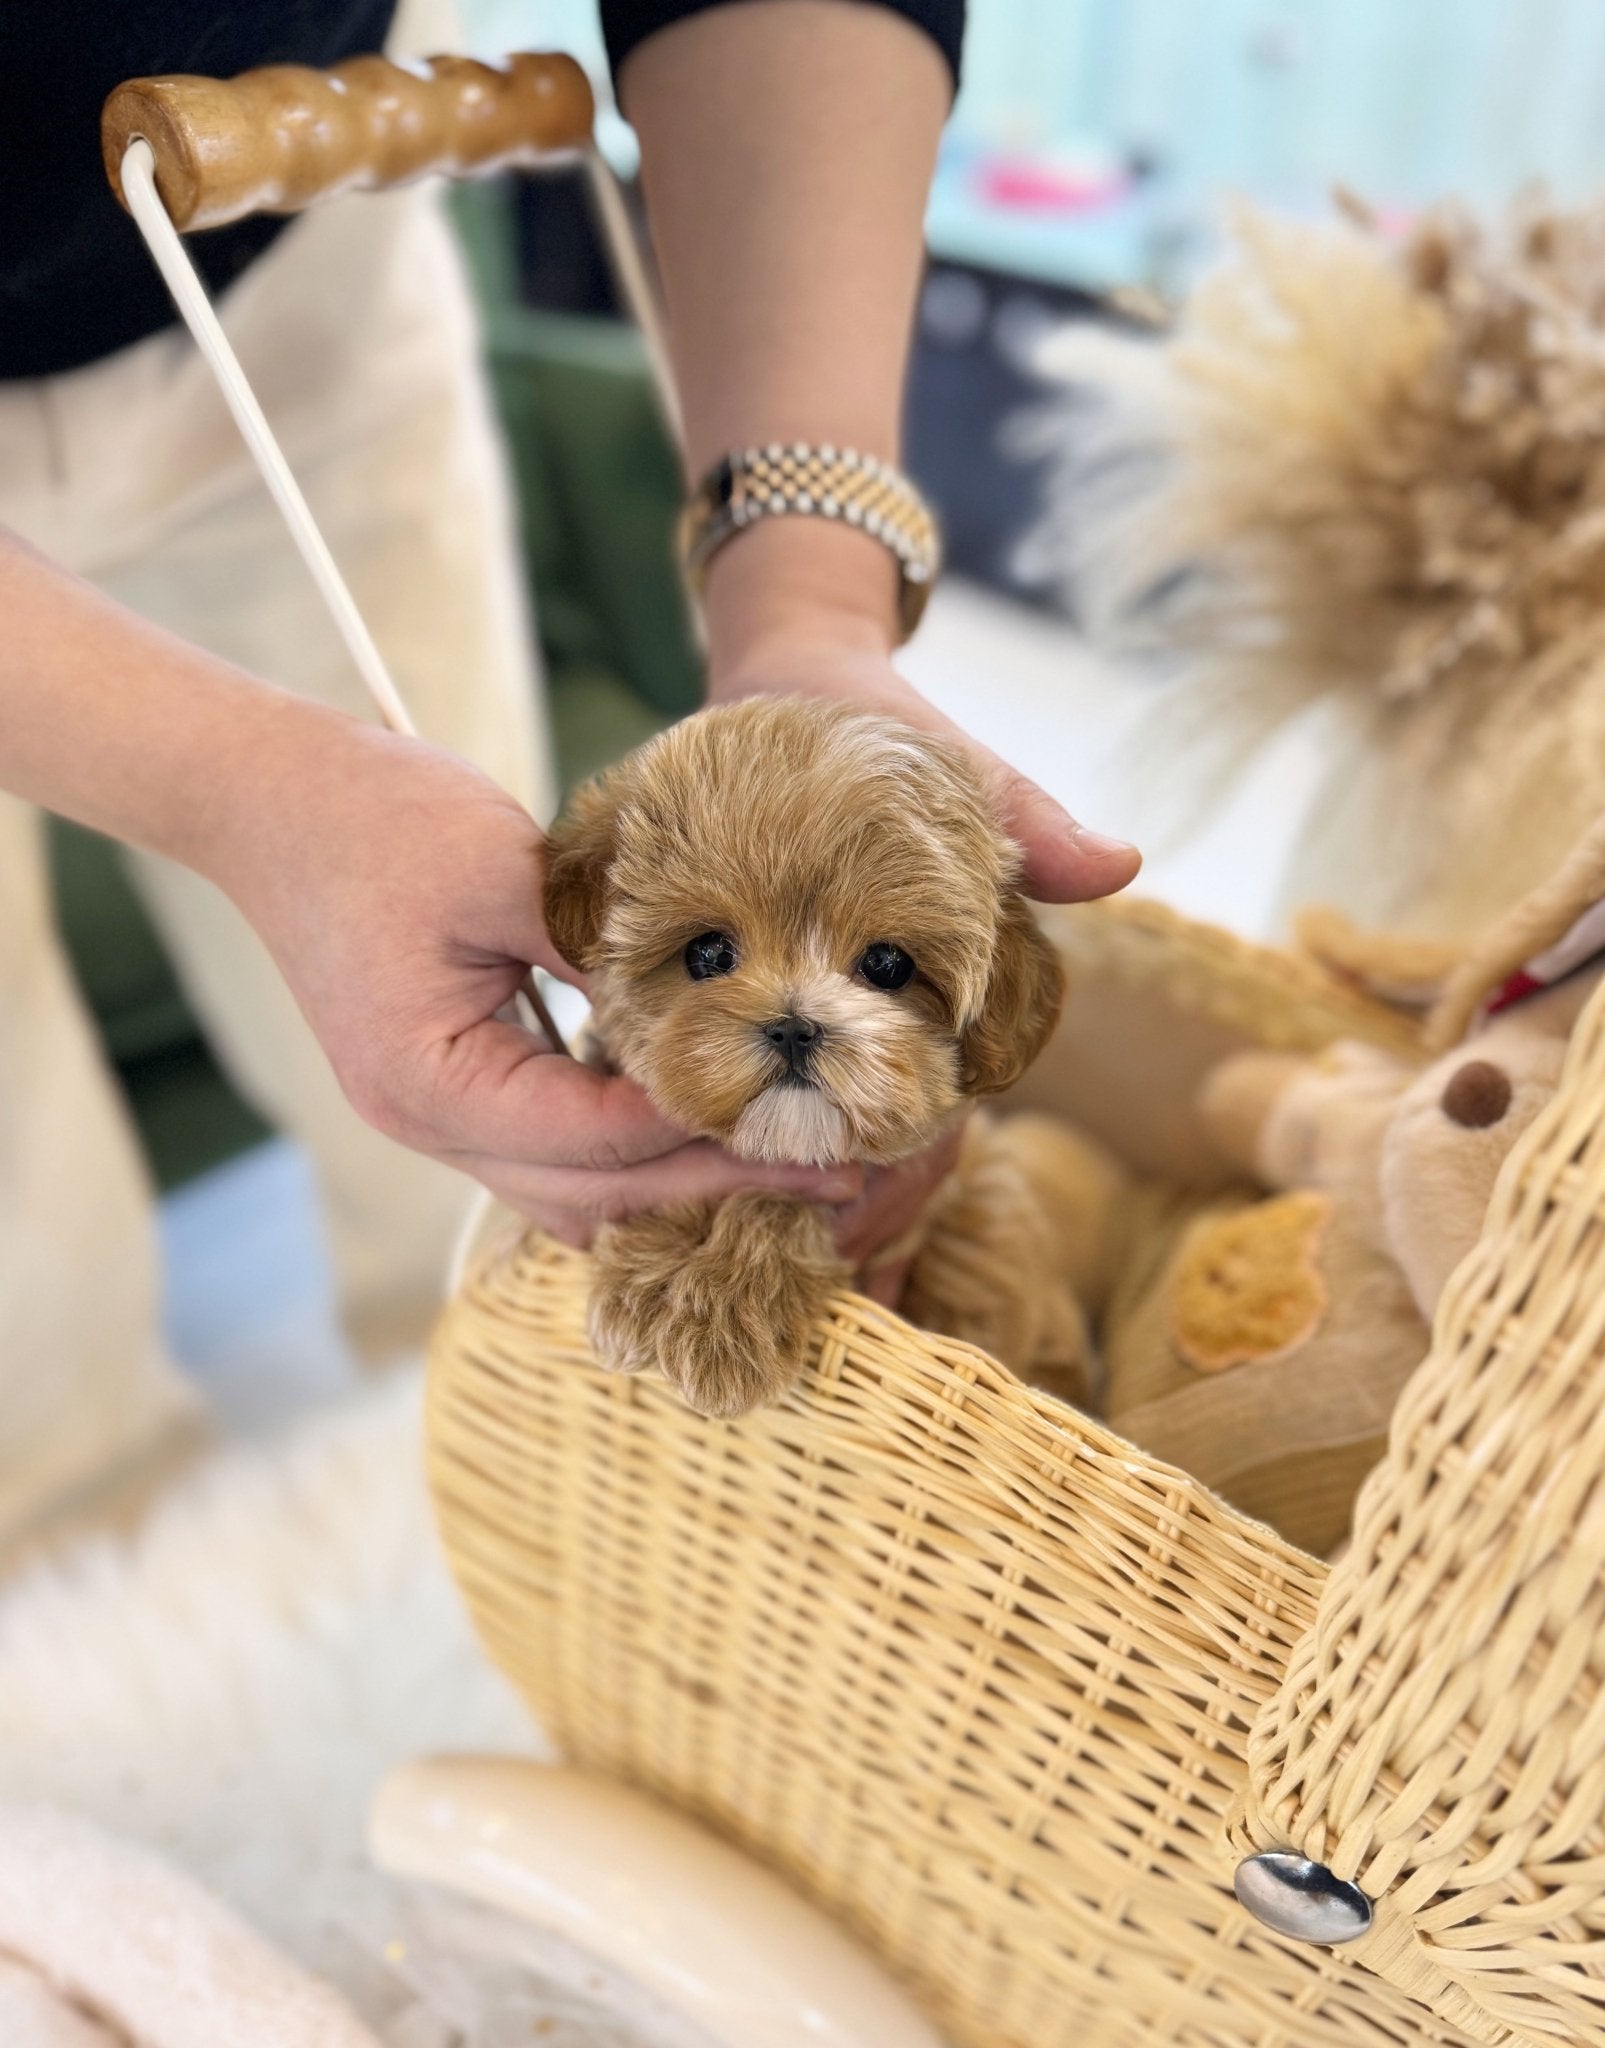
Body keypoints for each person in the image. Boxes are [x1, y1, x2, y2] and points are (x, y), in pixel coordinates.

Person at [0, 0, 1140, 1548]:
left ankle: (514, 1472)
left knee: (479, 1088)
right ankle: (85, 1547)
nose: (800, 1011)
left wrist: (806, 603)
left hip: (293, 213)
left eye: (877, 964)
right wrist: (237, 784)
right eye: (713, 955)